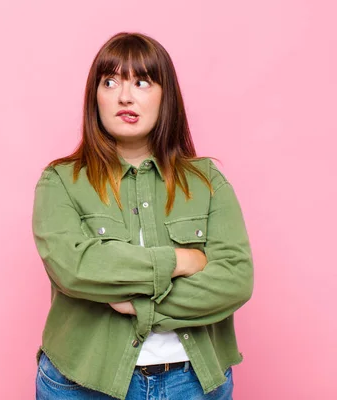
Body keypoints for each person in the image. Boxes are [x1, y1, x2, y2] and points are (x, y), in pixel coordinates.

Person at [31, 32, 254, 400]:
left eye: (142, 82)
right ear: (95, 96)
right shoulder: (60, 182)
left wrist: (138, 305)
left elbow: (235, 279)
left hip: (191, 384)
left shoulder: (207, 181)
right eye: (110, 81)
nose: (125, 96)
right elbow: (74, 268)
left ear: (166, 96)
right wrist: (181, 260)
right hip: (80, 383)